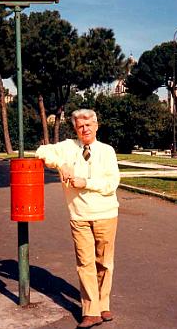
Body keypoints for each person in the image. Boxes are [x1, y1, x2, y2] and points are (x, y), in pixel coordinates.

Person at [35, 109, 120, 328]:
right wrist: (60, 164)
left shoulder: (107, 151)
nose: (85, 129)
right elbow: (41, 151)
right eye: (81, 126)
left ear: (96, 126)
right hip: (79, 216)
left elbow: (112, 184)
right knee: (85, 263)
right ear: (75, 128)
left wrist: (86, 182)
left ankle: (103, 304)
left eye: (89, 124)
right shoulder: (67, 147)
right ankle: (90, 311)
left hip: (106, 214)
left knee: (104, 263)